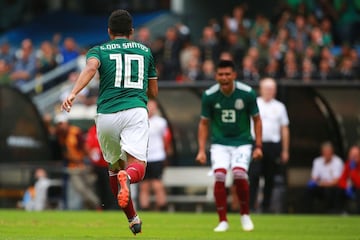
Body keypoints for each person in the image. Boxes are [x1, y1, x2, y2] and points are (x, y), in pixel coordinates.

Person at [61, 9, 158, 235]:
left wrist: (74, 93)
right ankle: (129, 178)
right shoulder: (146, 51)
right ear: (132, 32)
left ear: (109, 31)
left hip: (106, 116)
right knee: (138, 168)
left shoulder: (99, 50)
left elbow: (91, 68)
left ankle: (132, 219)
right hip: (134, 110)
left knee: (114, 168)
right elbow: (153, 92)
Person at [196, 60, 262, 232]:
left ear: (234, 75)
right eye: (220, 74)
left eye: (227, 74)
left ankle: (245, 214)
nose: (224, 77)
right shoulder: (209, 95)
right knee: (219, 177)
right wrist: (201, 150)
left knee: (239, 174)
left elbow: (257, 119)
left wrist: (259, 146)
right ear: (216, 75)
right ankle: (222, 220)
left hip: (242, 142)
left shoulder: (247, 93)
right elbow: (203, 123)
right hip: (220, 143)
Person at [249, 77, 290, 213]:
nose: (269, 91)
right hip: (256, 144)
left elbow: (284, 129)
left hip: (272, 145)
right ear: (261, 89)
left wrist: (285, 150)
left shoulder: (279, 107)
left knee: (270, 176)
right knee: (253, 176)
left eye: (272, 89)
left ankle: (266, 207)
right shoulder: (254, 103)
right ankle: (250, 206)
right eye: (267, 88)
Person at [139, 99, 171, 211]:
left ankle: (161, 206)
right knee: (144, 185)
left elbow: (166, 139)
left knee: (157, 183)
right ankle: (145, 208)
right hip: (143, 157)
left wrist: (165, 152)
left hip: (157, 156)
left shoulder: (161, 122)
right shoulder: (140, 121)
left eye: (152, 106)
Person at [85, 124, 117, 210]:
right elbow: (88, 145)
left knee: (110, 186)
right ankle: (103, 206)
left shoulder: (110, 128)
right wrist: (91, 153)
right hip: (98, 165)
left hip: (110, 163)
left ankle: (112, 207)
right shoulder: (93, 130)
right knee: (100, 187)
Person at [305, 141, 344, 213]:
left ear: (332, 152)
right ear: (322, 152)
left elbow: (336, 181)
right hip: (321, 186)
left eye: (328, 151)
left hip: (333, 188)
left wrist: (322, 183)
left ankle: (330, 212)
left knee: (330, 191)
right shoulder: (317, 161)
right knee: (308, 190)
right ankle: (308, 212)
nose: (326, 153)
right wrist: (319, 183)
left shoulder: (338, 161)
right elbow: (314, 178)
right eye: (325, 151)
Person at [338, 145, 360, 213]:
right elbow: (341, 180)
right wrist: (347, 187)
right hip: (351, 187)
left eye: (356, 155)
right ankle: (340, 211)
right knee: (338, 191)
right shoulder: (348, 165)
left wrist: (353, 171)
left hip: (358, 189)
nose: (353, 157)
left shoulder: (353, 166)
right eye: (352, 155)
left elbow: (358, 183)